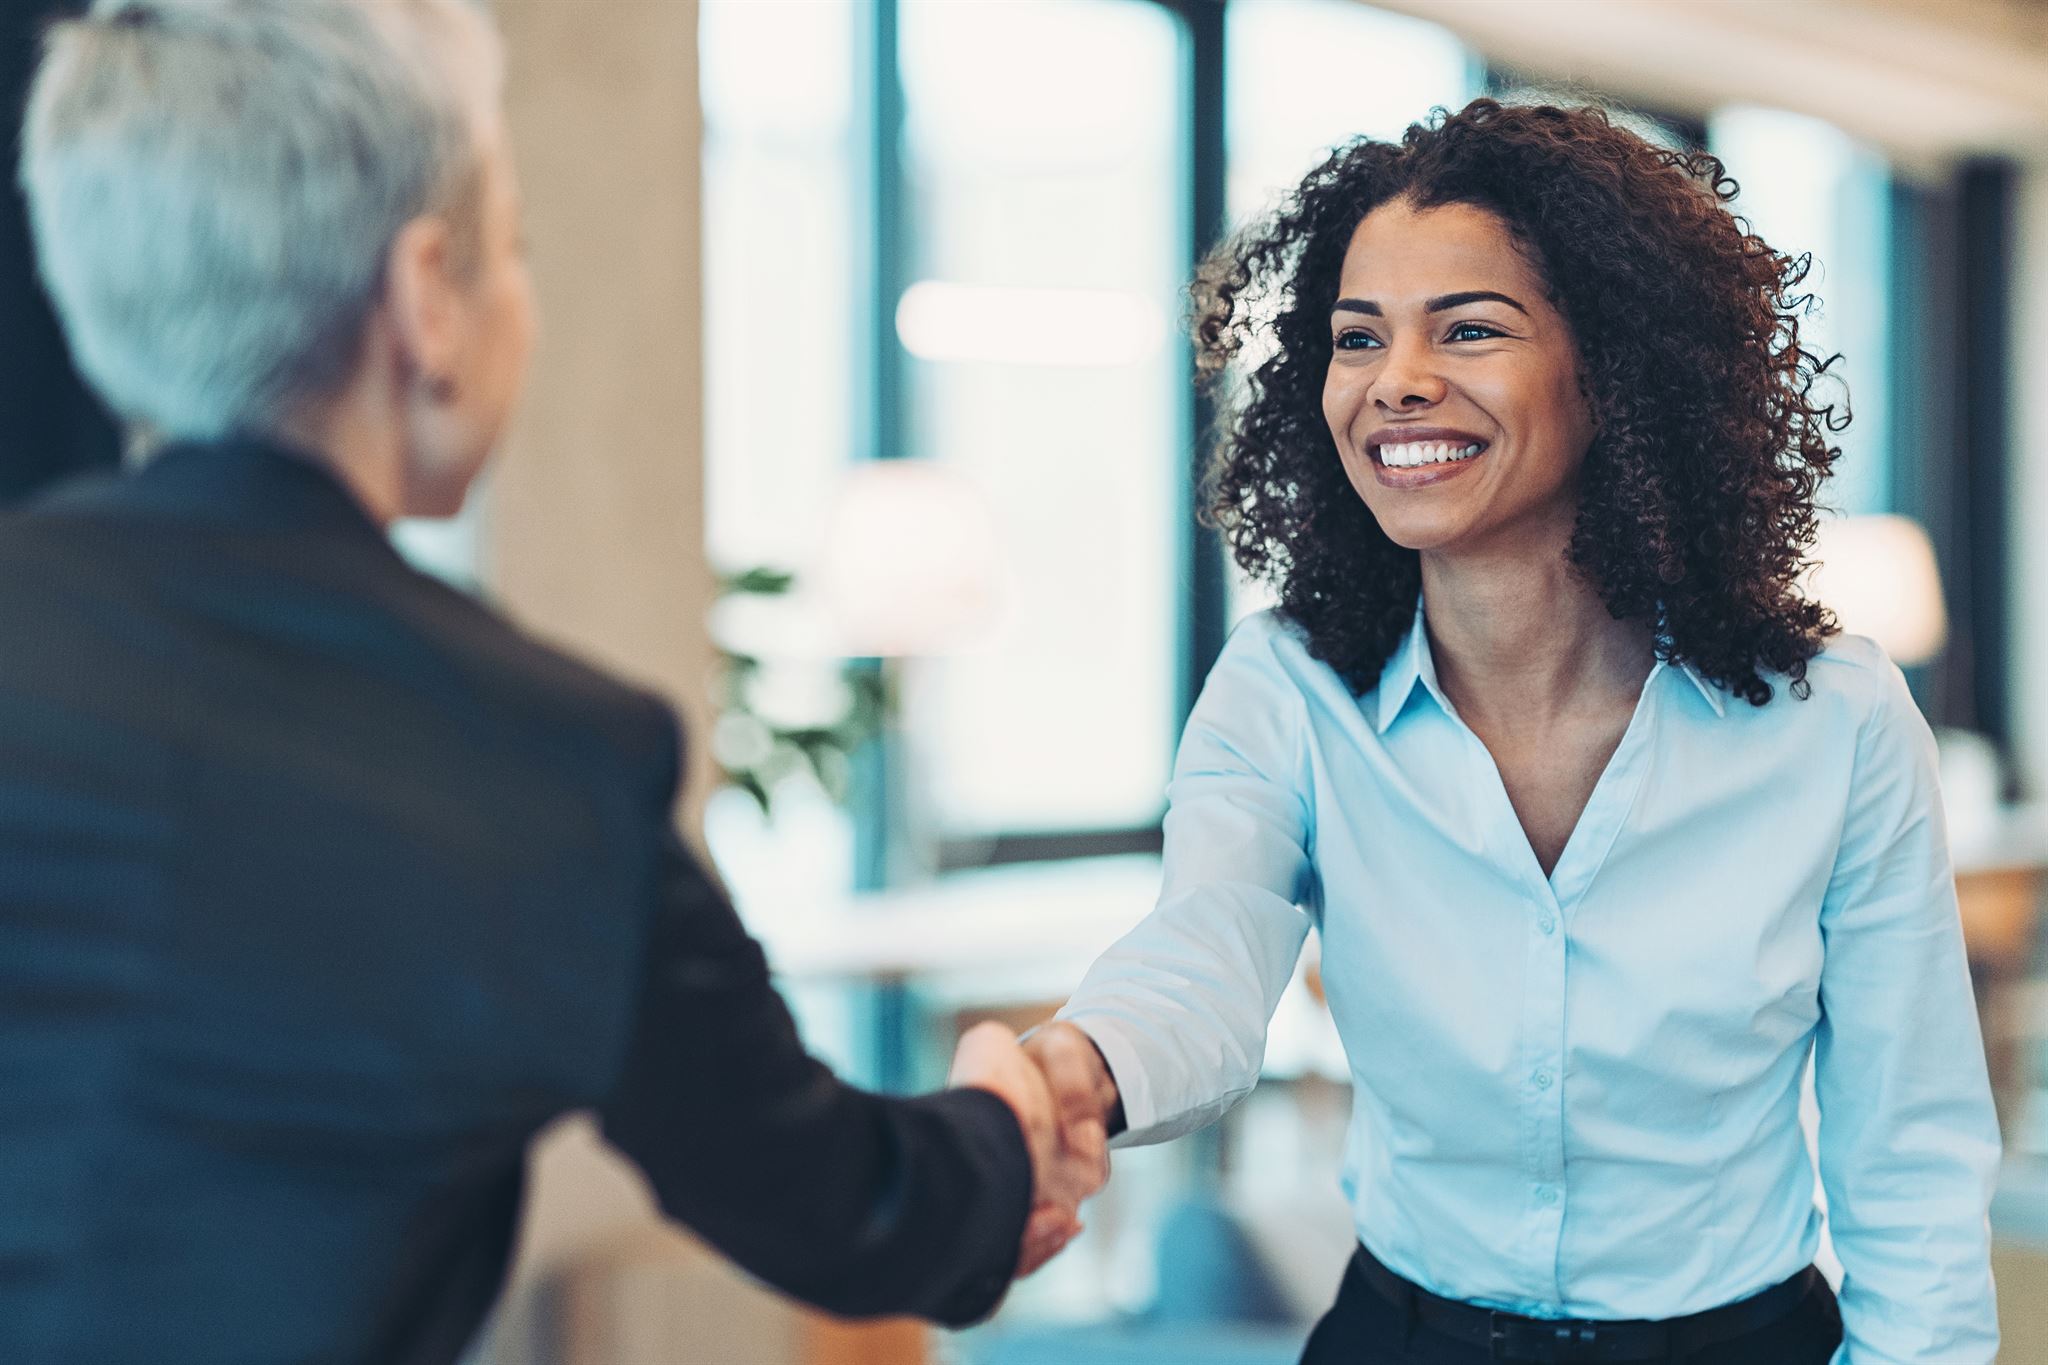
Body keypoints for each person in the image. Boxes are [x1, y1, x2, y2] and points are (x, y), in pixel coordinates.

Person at [0, 2, 1104, 1362]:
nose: (520, 283)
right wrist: (1001, 1126)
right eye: (511, 244)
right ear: (426, 300)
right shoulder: (537, 759)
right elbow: (843, 1204)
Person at [1022, 99, 1999, 1363]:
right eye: (1355, 338)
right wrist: (1076, 1069)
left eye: (1468, 329)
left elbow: (1907, 1151)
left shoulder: (1835, 721)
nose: (1397, 383)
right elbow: (1204, 956)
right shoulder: (1286, 689)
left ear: (1615, 369)